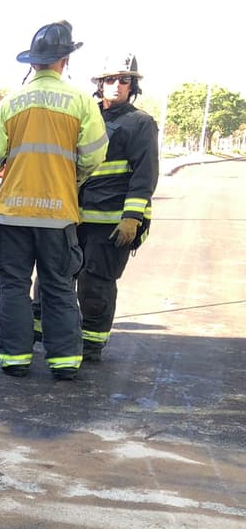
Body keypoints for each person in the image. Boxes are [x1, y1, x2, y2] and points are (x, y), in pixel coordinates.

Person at [0, 21, 107, 380]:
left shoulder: (11, 102)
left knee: (14, 286)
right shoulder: (81, 102)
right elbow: (94, 155)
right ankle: (64, 362)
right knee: (58, 286)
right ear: (65, 59)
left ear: (32, 63)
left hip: (13, 214)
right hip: (58, 215)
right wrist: (71, 178)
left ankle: (15, 359)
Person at [75, 54, 159, 361]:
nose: (116, 85)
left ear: (132, 85)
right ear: (99, 84)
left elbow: (144, 174)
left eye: (124, 80)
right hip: (74, 217)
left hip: (111, 223)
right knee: (54, 278)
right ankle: (47, 335)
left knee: (95, 284)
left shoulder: (141, 124)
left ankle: (92, 344)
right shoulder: (85, 117)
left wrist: (132, 217)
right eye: (109, 79)